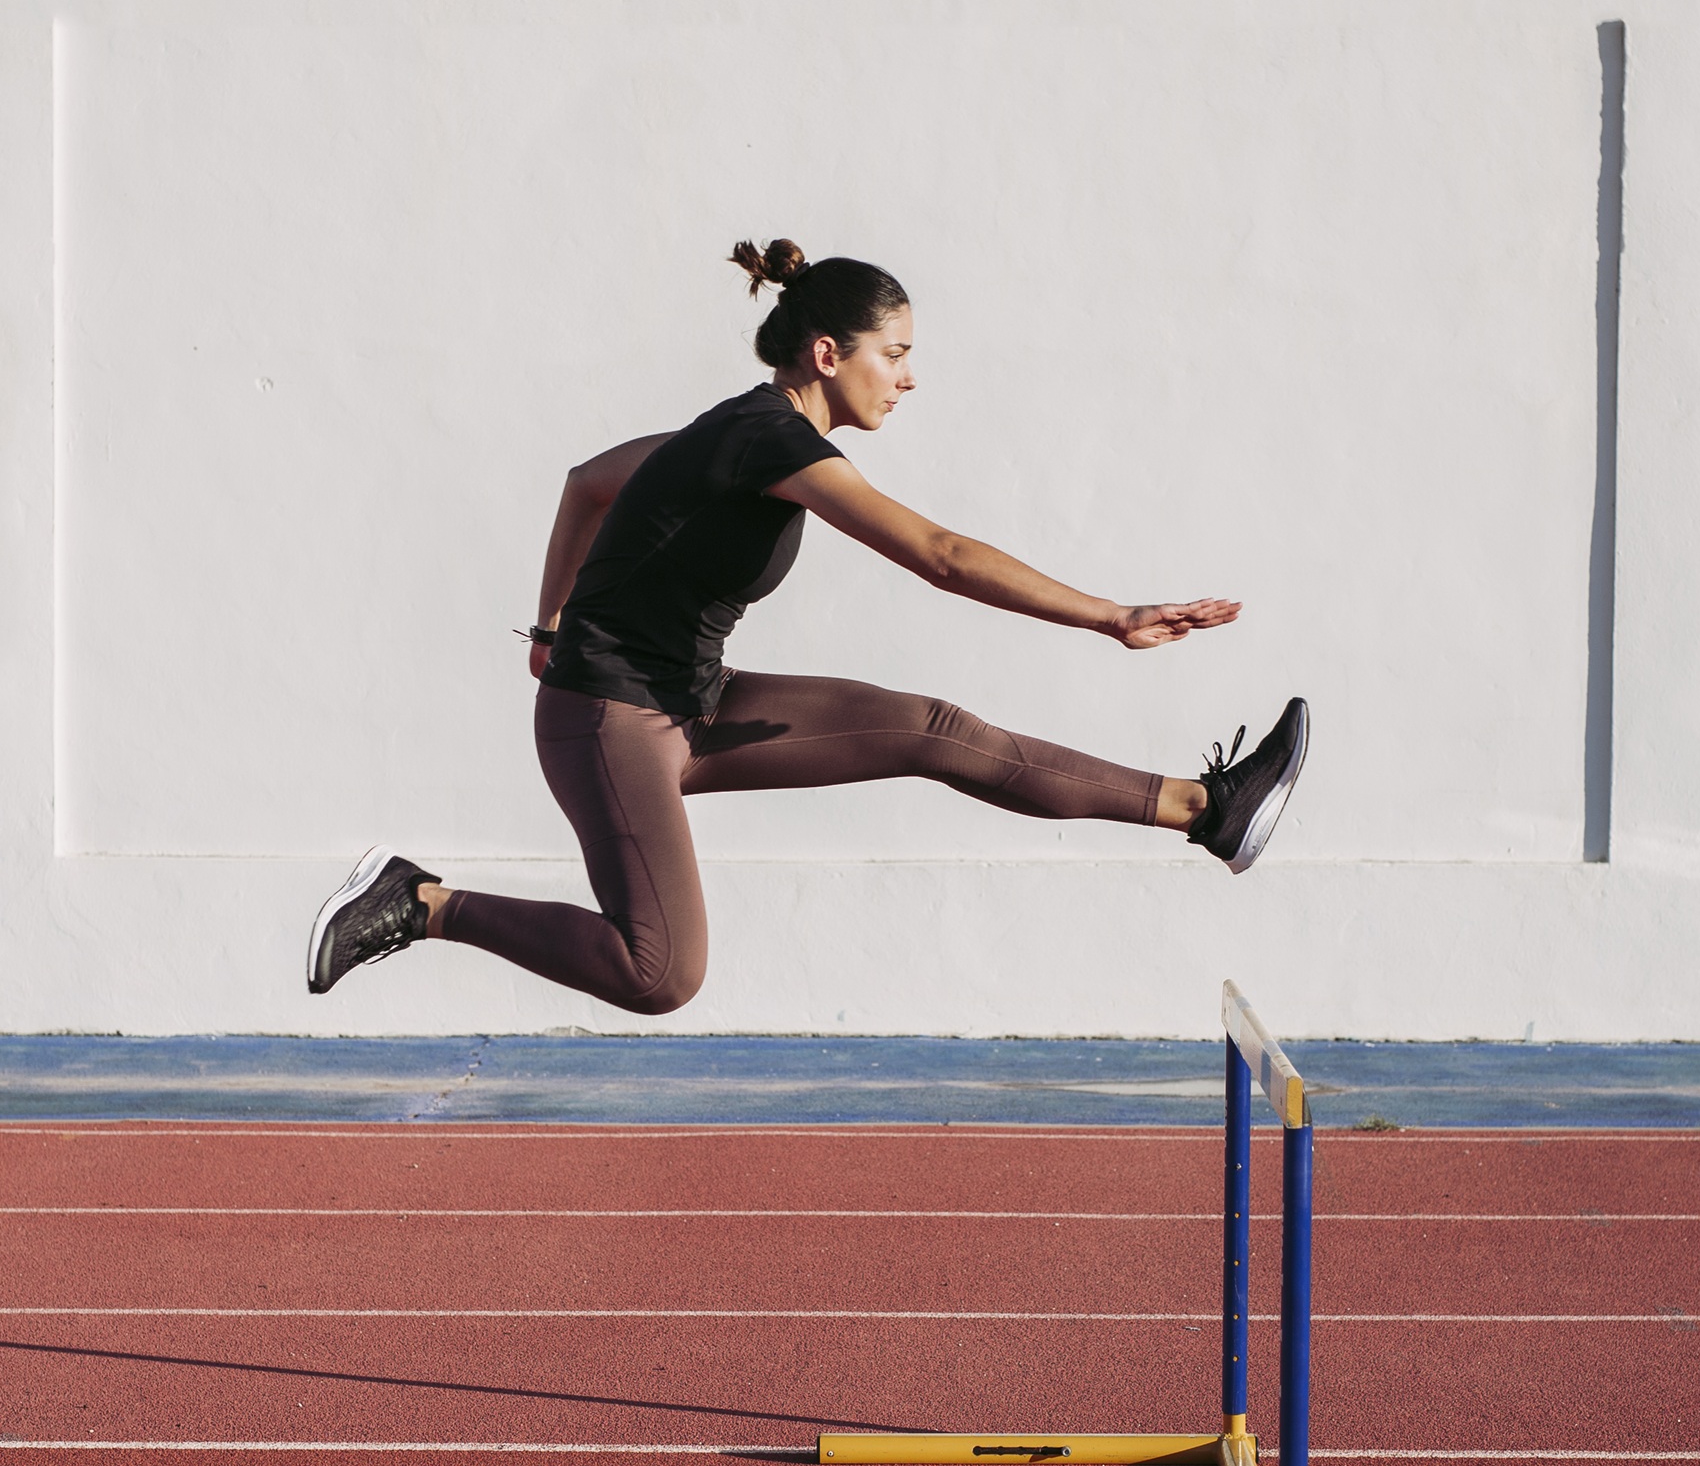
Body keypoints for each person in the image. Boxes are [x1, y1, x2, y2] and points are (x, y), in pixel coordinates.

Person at [307, 238, 1309, 1013]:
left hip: (689, 705)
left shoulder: (739, 430)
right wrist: (1111, 616)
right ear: (829, 354)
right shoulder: (765, 441)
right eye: (896, 355)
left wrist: (546, 624)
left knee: (933, 731)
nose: (908, 379)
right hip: (608, 720)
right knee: (659, 972)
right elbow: (940, 556)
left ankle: (1203, 808)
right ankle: (421, 902)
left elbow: (588, 483)